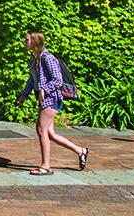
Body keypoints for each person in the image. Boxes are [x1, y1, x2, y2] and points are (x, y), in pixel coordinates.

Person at [18, 31, 88, 175]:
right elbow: (32, 79)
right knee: (50, 133)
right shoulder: (34, 58)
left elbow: (57, 80)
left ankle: (45, 166)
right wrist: (24, 94)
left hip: (52, 98)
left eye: (27, 40)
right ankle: (80, 151)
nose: (24, 42)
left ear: (35, 42)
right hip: (44, 98)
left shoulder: (47, 58)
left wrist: (44, 89)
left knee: (41, 130)